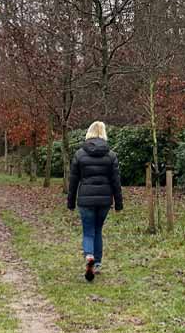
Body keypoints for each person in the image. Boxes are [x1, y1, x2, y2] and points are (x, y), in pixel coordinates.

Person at [66, 121, 123, 282]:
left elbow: (73, 181)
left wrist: (70, 202)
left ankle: (89, 256)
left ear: (89, 133)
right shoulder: (111, 155)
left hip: (85, 199)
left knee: (88, 231)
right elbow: (116, 182)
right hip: (104, 200)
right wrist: (118, 203)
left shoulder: (79, 155)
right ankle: (97, 263)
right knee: (98, 230)